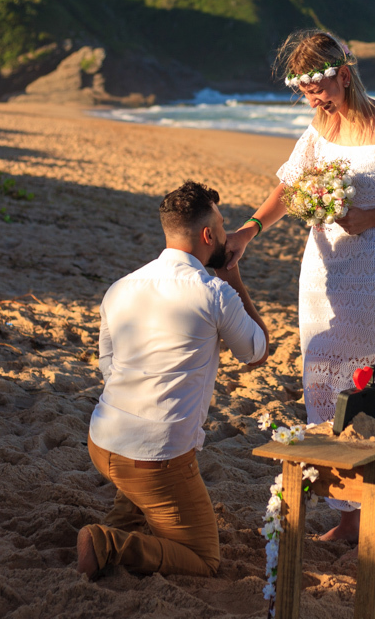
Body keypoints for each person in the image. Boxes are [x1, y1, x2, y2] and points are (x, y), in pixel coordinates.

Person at [223, 29, 375, 542]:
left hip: (371, 271)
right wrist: (248, 231)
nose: (313, 100)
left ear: (344, 76)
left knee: (362, 384)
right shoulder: (321, 123)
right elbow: (290, 186)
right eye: (304, 93)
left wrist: (370, 217)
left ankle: (367, 510)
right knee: (320, 381)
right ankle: (347, 517)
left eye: (318, 89)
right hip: (320, 269)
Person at [78, 180, 269, 579]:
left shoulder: (120, 287)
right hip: (154, 457)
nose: (226, 233)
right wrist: (232, 275)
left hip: (102, 440)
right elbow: (256, 352)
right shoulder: (214, 292)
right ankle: (108, 544)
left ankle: (124, 517)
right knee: (204, 558)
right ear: (208, 235)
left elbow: (109, 367)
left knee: (141, 463)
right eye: (222, 225)